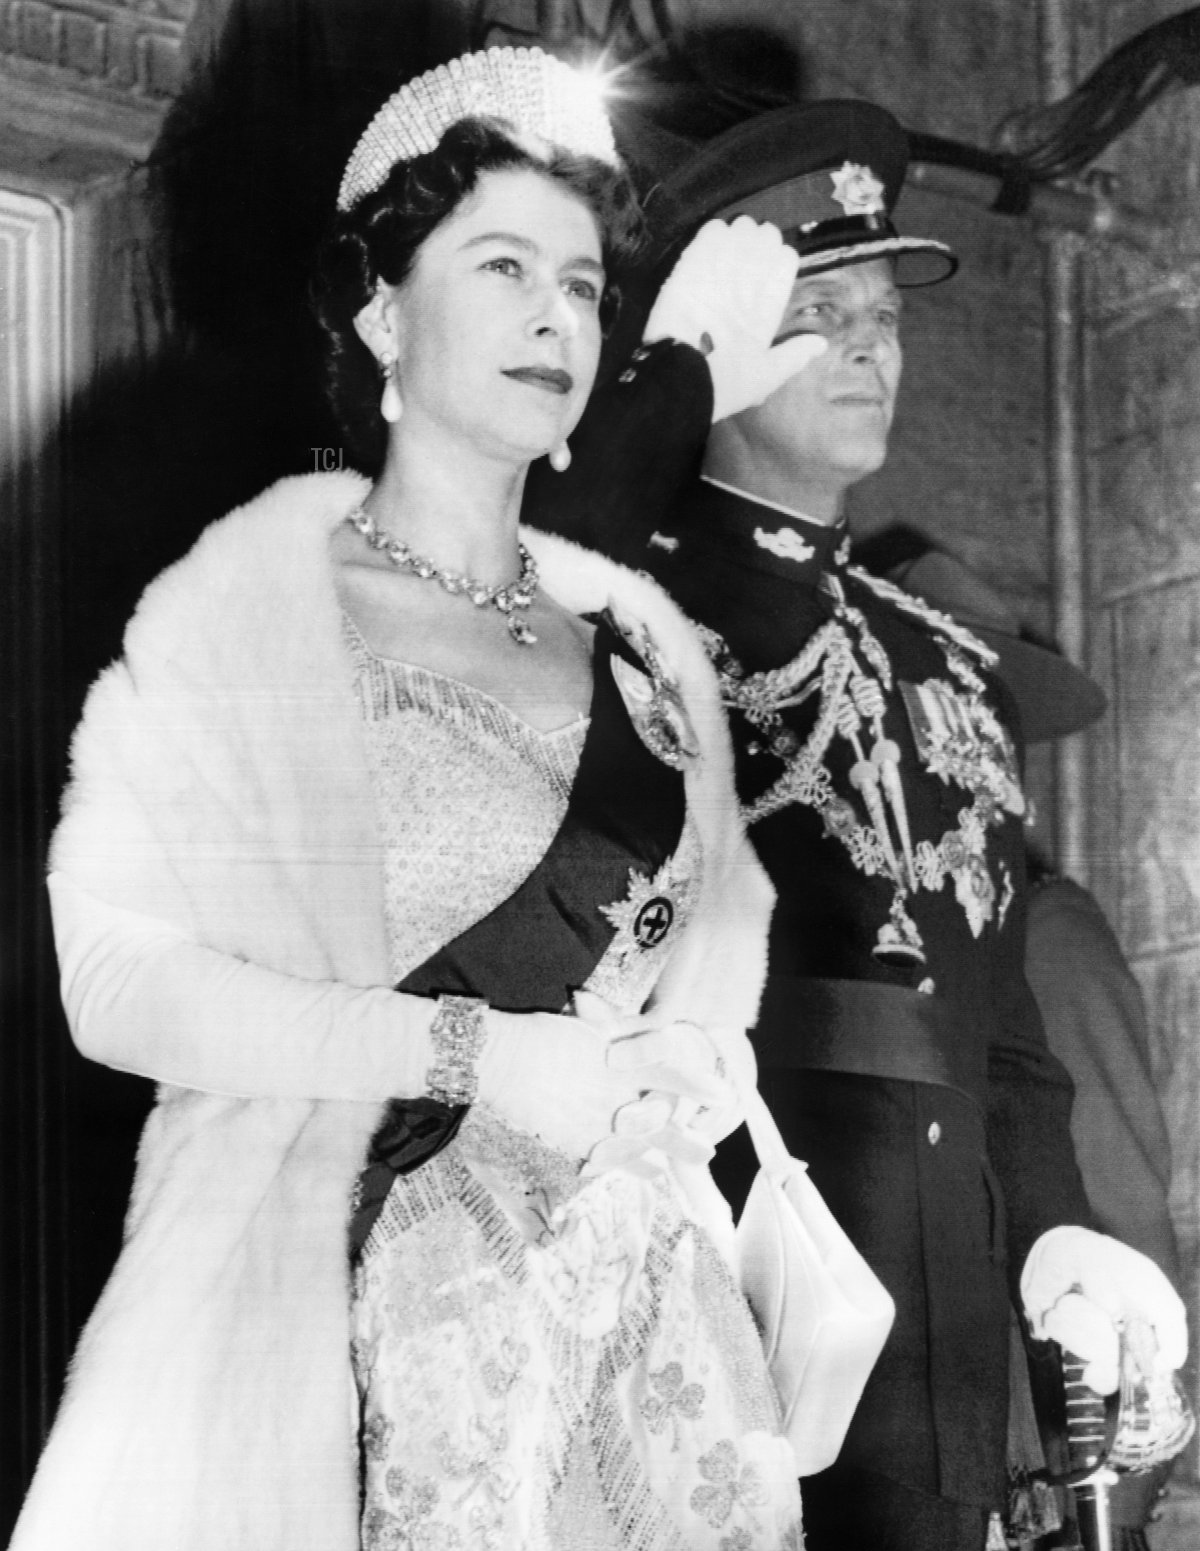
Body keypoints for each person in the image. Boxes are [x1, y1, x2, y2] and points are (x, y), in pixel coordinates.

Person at [10, 48, 809, 1551]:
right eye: (500, 264)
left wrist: (694, 1052)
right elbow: (112, 977)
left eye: (580, 284)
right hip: (359, 1309)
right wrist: (473, 1052)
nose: (554, 316)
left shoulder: (637, 635)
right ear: (383, 307)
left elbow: (718, 939)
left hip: (636, 1315)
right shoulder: (253, 597)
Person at [527, 97, 1188, 1551]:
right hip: (701, 1288)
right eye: (819, 310)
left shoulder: (941, 660)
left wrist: (1063, 1228)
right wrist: (658, 393)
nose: (874, 345)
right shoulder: (612, 598)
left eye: (886, 312)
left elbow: (1004, 1024)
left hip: (934, 1323)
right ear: (722, 337)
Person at [875, 539, 1186, 1548]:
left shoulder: (1046, 935)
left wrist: (1083, 1496)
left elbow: (1117, 1228)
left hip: (1038, 1497)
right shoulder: (889, 944)